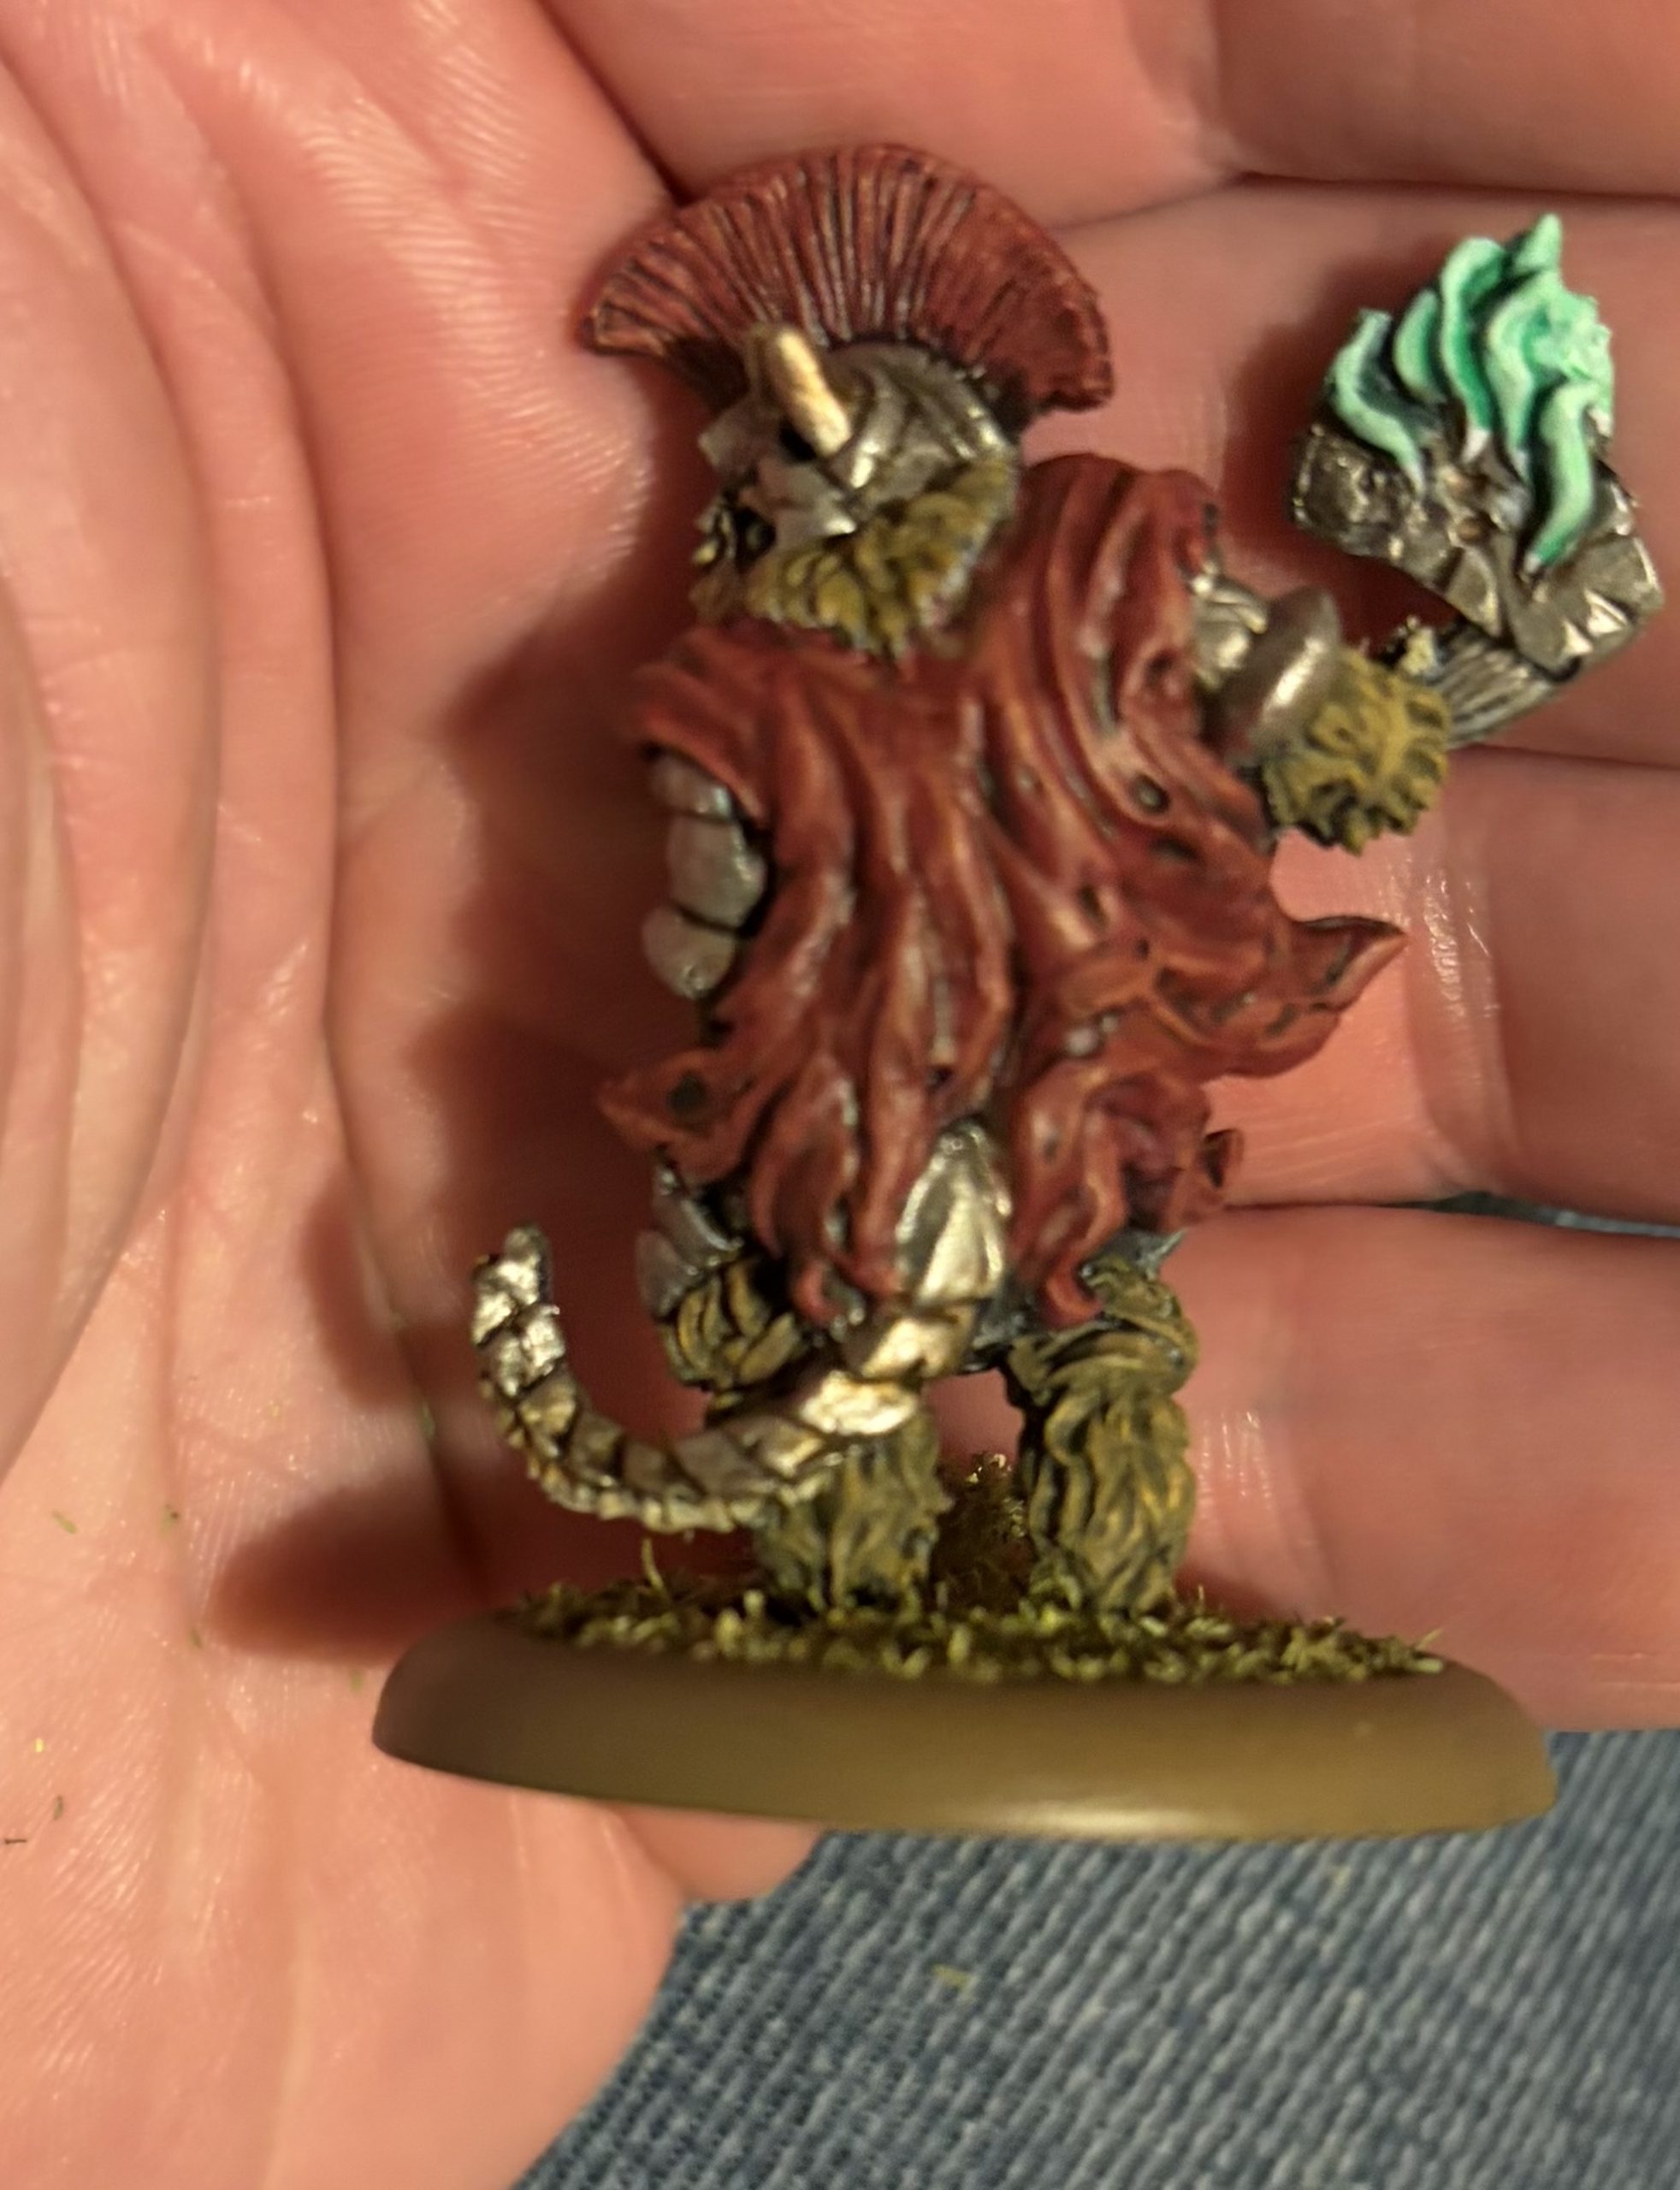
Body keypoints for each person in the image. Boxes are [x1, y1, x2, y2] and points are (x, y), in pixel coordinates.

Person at [0, 4, 1675, 2186]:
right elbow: (713, 939)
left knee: (1093, 1370)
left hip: (1080, 1105)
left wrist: (1488, 623)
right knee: (833, 1417)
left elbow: (1343, 736)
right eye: (750, 468)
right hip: (817, 1143)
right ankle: (840, 1574)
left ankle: (1065, 1574)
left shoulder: (1110, 587)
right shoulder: (738, 695)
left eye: (810, 444)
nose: (777, 483)